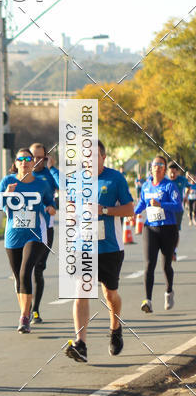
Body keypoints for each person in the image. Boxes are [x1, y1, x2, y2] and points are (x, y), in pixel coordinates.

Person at [66, 140, 134, 364]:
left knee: (110, 294)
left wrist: (103, 210)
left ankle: (115, 328)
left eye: (94, 156)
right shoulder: (74, 180)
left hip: (110, 248)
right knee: (81, 293)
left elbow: (130, 209)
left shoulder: (115, 179)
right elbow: (69, 207)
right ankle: (80, 345)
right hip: (82, 245)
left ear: (103, 158)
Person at [0, 148, 56, 334]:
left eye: (28, 159)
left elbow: (50, 201)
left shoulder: (41, 184)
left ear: (32, 163)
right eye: (20, 159)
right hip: (13, 236)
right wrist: (6, 194)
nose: (24, 162)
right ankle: (25, 311)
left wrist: (51, 207)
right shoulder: (7, 181)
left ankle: (24, 316)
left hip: (34, 234)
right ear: (16, 162)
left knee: (25, 272)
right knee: (18, 278)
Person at [135, 156, 183, 312]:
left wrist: (161, 204)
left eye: (160, 165)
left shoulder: (170, 186)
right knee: (149, 264)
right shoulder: (146, 186)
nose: (157, 167)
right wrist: (132, 212)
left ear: (164, 169)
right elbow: (142, 202)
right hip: (150, 228)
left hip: (168, 229)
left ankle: (169, 292)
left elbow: (178, 207)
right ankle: (147, 300)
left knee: (166, 265)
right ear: (151, 168)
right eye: (155, 164)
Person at [29, 142, 59, 324]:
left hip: (45, 229)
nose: (36, 161)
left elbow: (64, 186)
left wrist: (52, 168)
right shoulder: (22, 173)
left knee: (37, 269)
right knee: (23, 271)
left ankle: (35, 310)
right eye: (33, 156)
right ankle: (25, 307)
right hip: (23, 229)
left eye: (41, 157)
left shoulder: (49, 174)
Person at [167, 163, 188, 258]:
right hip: (166, 209)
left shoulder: (182, 180)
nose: (172, 175)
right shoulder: (164, 180)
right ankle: (167, 250)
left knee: (175, 231)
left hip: (178, 209)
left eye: (174, 173)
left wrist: (186, 196)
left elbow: (189, 186)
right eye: (170, 173)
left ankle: (173, 251)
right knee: (165, 230)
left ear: (178, 172)